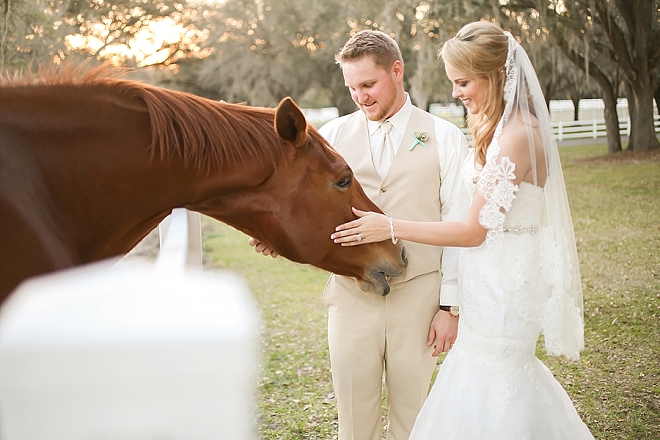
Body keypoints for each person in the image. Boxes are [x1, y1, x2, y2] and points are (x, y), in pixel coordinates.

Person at [331, 22, 594, 438]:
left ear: (494, 76)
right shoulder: (504, 131)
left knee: (492, 385)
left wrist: (393, 227)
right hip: (483, 284)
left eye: (463, 81)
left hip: (493, 289)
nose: (456, 92)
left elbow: (471, 228)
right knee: (481, 385)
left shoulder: (507, 136)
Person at [250, 30, 468, 440]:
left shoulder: (444, 137)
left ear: (397, 71)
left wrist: (450, 307)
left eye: (368, 85)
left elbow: (457, 223)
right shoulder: (330, 136)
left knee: (414, 419)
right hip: (351, 297)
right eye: (352, 88)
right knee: (353, 420)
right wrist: (276, 238)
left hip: (420, 299)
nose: (361, 97)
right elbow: (304, 206)